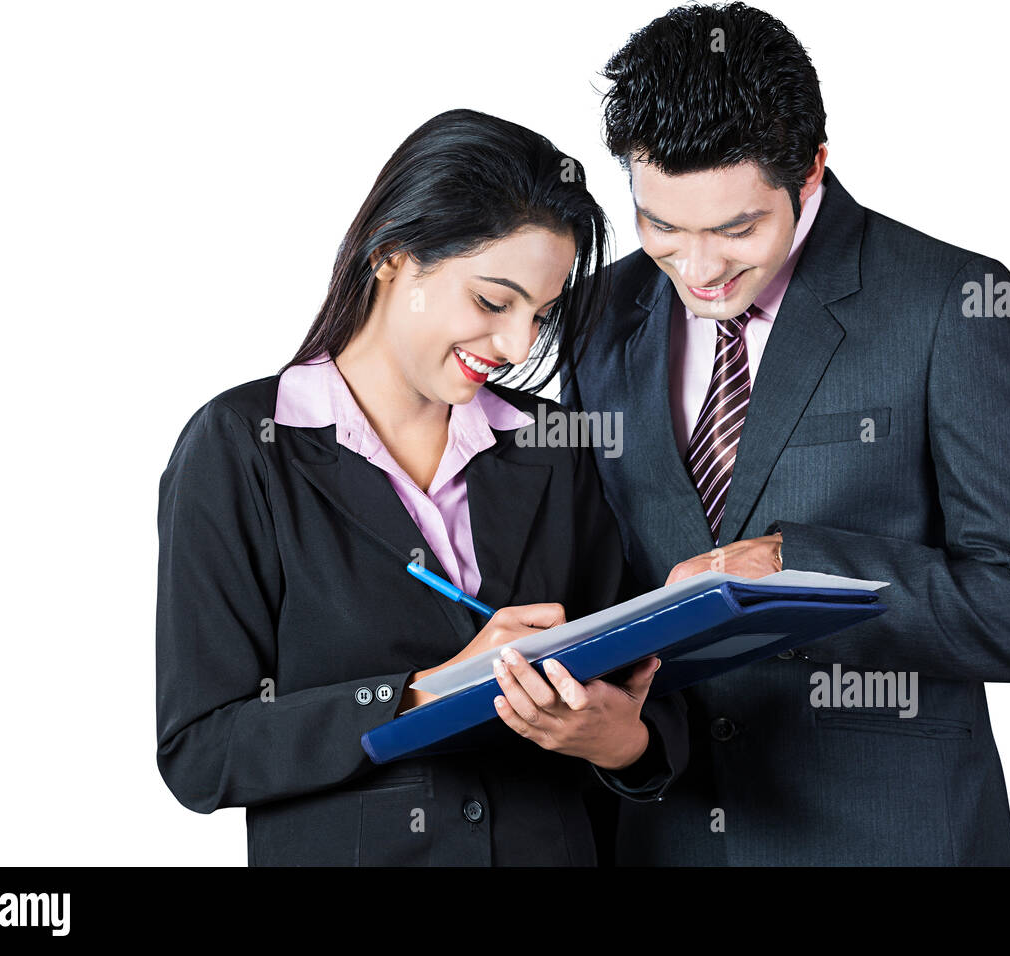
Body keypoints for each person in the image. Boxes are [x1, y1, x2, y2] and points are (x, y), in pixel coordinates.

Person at [562, 2, 1010, 865]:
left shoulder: (950, 304)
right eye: (662, 226)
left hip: (887, 842)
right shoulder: (596, 316)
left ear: (811, 169)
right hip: (665, 837)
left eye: (737, 229)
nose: (697, 269)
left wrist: (791, 566)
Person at [155, 108, 687, 866]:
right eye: (493, 302)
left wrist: (622, 740)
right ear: (393, 258)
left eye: (541, 316)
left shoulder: (553, 443)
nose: (515, 346)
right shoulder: (241, 447)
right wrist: (429, 693)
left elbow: (646, 688)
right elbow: (202, 751)